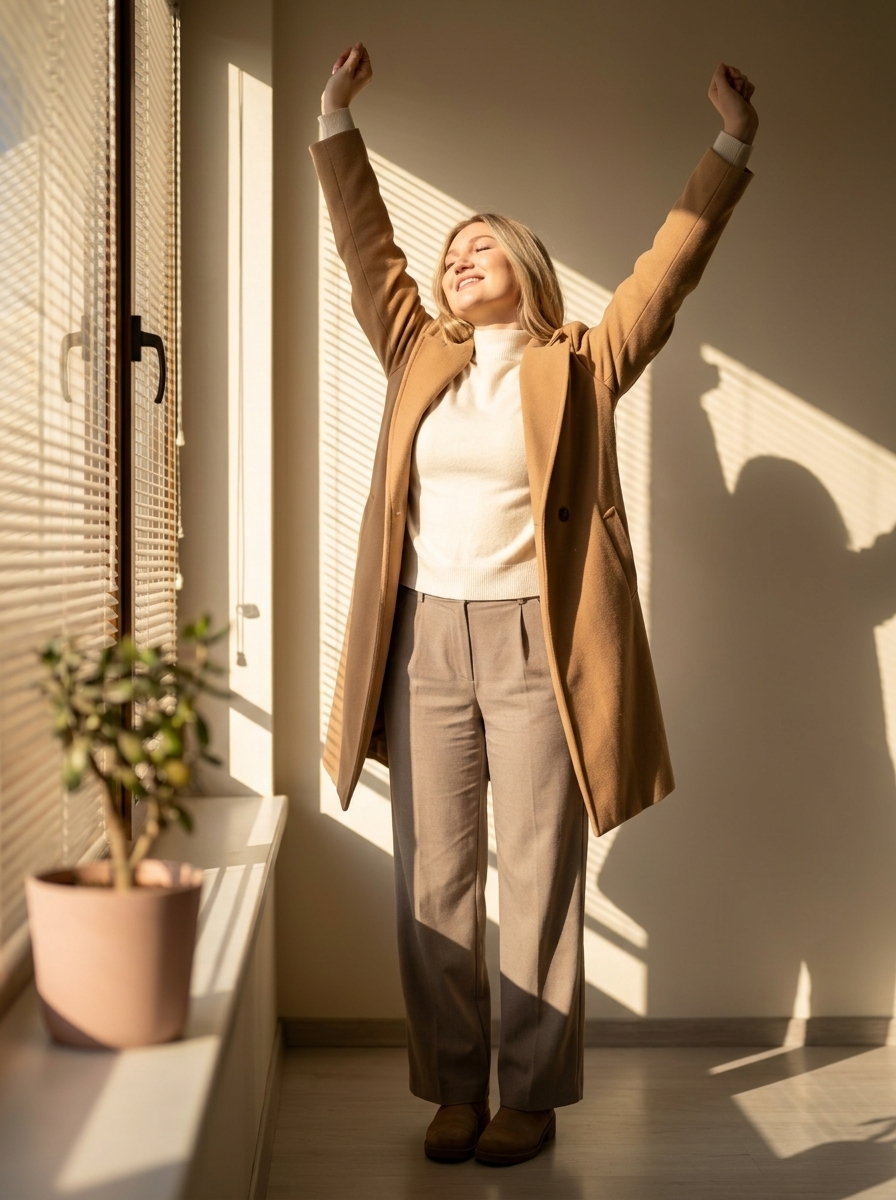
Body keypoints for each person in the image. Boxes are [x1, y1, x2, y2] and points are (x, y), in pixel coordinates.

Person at [312, 43, 757, 1167]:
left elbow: (664, 273)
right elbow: (368, 248)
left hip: (535, 641)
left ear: (523, 265)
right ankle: (453, 1088)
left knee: (539, 871)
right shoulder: (416, 351)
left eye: (478, 246)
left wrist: (728, 144)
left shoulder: (581, 362)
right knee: (434, 874)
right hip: (423, 638)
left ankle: (531, 1093)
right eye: (449, 249)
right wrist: (333, 117)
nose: (457, 257)